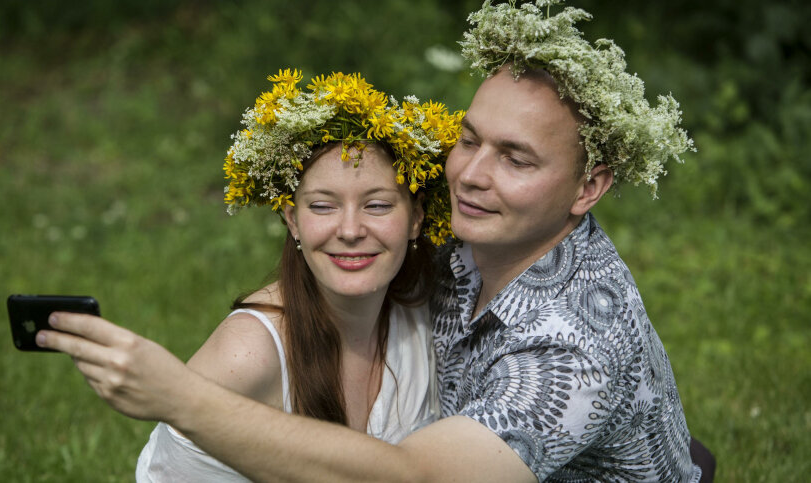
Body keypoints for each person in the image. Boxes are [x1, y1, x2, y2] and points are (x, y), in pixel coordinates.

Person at [39, 1, 706, 481]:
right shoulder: (473, 237)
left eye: (516, 159)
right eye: (469, 140)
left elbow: (420, 478)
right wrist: (260, 332)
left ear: (588, 187)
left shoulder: (571, 349)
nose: (471, 176)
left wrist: (180, 397)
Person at [121, 70, 460, 481]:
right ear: (292, 220)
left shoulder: (431, 309)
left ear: (416, 218)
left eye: (377, 206)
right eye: (322, 206)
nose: (350, 231)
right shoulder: (247, 355)